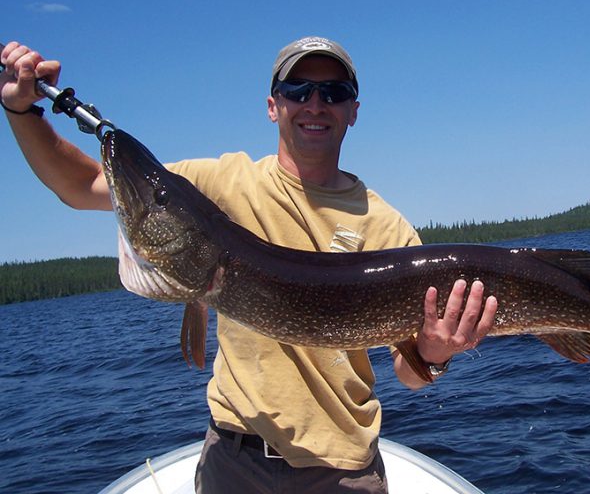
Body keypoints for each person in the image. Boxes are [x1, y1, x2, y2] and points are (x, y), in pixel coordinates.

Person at [1, 37, 498, 493]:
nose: (315, 104)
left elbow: (409, 374)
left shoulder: (387, 227)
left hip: (342, 471)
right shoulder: (220, 183)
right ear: (273, 105)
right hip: (231, 459)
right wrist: (22, 111)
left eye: (333, 92)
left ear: (353, 111)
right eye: (298, 90)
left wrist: (435, 354)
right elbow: (79, 186)